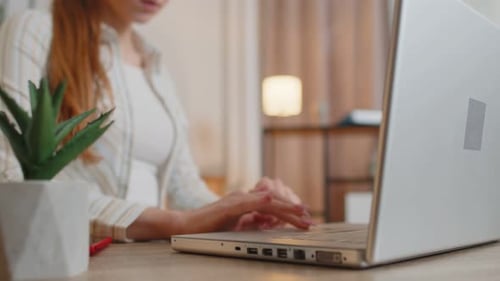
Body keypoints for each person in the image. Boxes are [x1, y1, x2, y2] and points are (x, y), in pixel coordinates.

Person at [0, 0, 311, 242]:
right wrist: (172, 223)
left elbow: (185, 188)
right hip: (76, 261)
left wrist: (238, 210)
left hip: (151, 261)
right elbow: (10, 177)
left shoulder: (155, 66)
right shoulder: (35, 30)